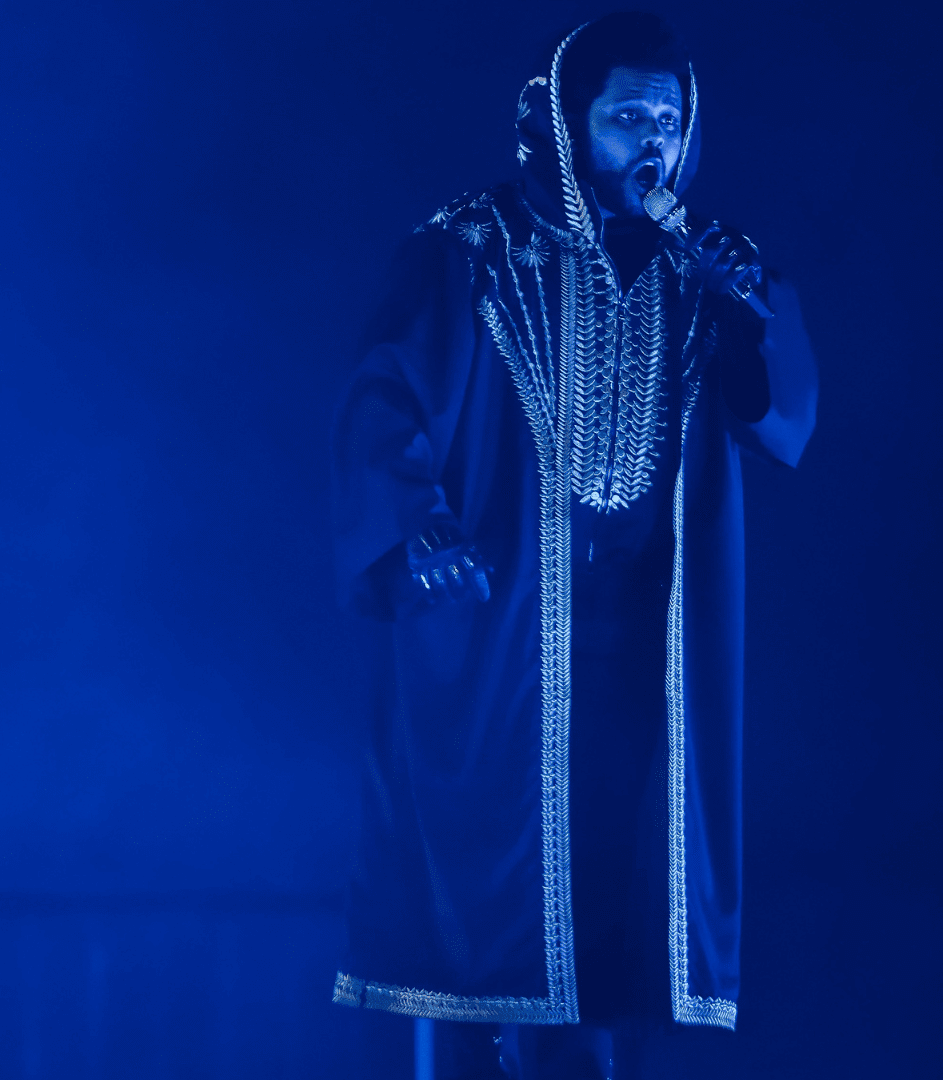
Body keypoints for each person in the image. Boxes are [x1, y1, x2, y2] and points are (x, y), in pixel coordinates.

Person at [328, 12, 816, 1078]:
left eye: (671, 118)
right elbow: (384, 401)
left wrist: (747, 309)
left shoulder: (704, 274)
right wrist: (420, 526)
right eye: (628, 113)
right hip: (496, 647)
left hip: (640, 662)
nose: (655, 138)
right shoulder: (470, 248)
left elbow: (783, 427)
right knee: (472, 953)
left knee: (611, 948)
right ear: (564, 118)